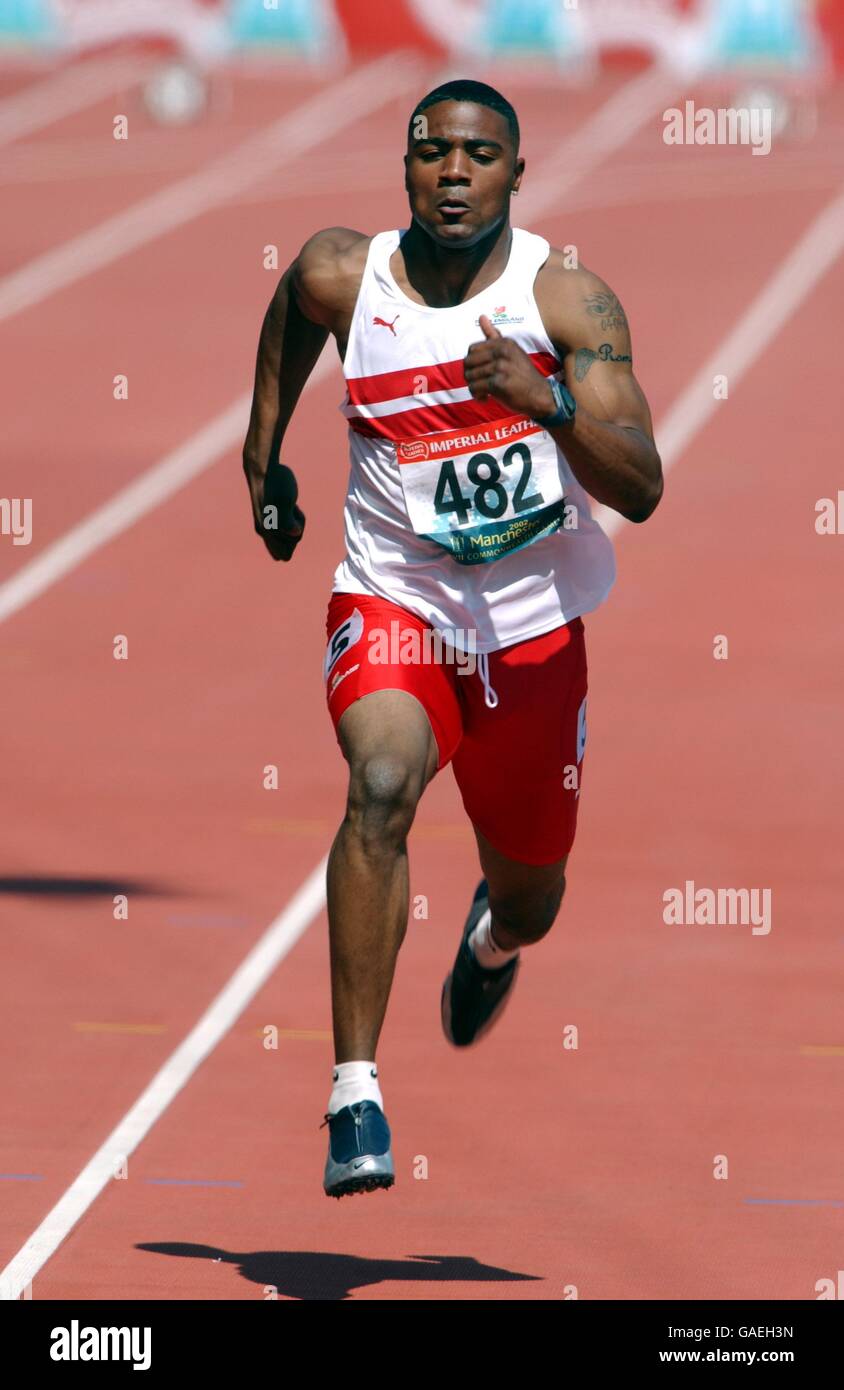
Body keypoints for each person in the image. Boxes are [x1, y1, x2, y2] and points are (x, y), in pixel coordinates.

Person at [242, 78, 663, 1199]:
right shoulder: (350, 273)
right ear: (407, 168)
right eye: (435, 153)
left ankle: (490, 939)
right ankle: (354, 1092)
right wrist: (260, 458)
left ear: (518, 176)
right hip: (393, 602)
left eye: (482, 156)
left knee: (532, 895)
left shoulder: (570, 306)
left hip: (530, 637)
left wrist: (549, 405)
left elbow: (646, 484)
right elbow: (294, 305)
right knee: (379, 782)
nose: (456, 173)